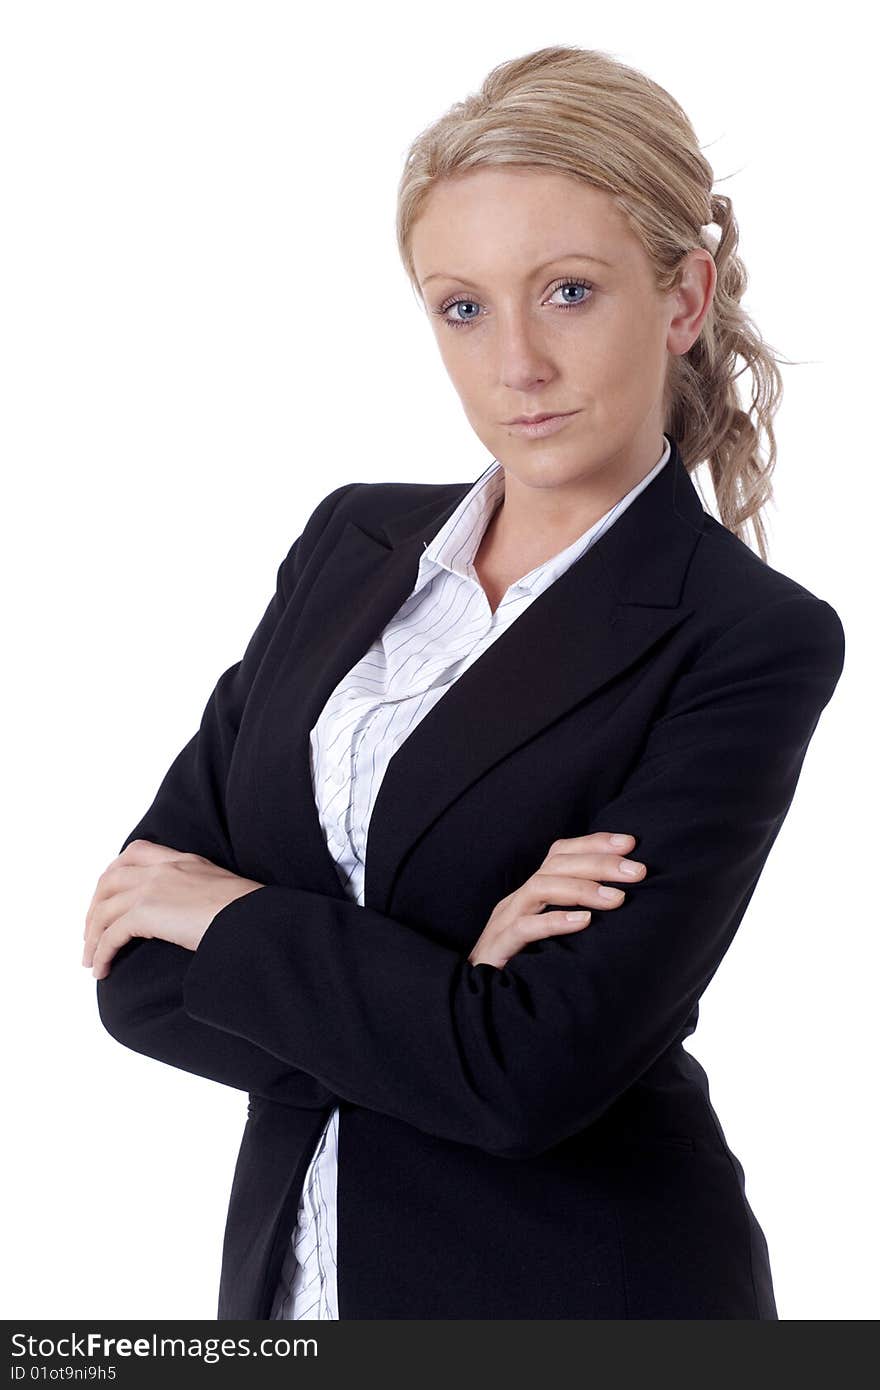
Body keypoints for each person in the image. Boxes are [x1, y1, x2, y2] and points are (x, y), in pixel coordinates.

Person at [84, 45, 845, 1319]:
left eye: (566, 292)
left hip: (576, 1291)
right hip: (284, 1295)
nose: (516, 366)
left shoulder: (743, 637)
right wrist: (446, 988)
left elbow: (527, 1076)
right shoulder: (349, 544)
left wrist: (234, 920)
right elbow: (133, 974)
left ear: (683, 296)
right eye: (462, 307)